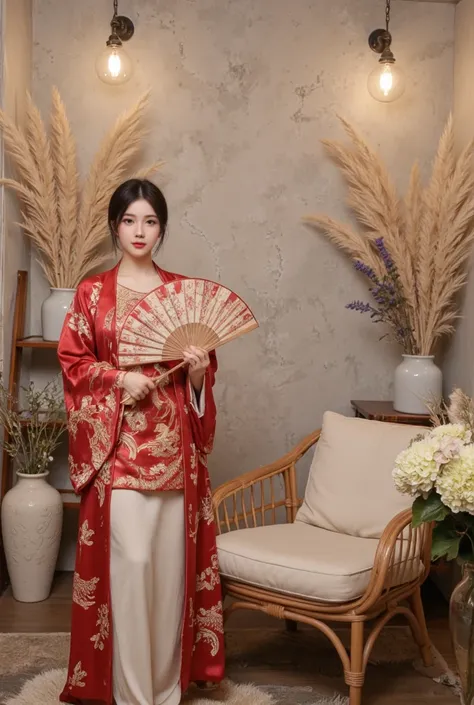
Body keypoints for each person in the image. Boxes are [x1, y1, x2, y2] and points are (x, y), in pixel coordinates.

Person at [57, 179, 225, 705]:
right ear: (114, 226)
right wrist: (116, 379)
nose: (139, 231)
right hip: (117, 454)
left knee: (168, 577)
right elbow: (74, 362)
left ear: (162, 229)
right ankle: (132, 695)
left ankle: (166, 691)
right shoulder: (90, 293)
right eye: (130, 220)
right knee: (129, 570)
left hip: (176, 456)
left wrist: (197, 375)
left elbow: (201, 381)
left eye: (150, 221)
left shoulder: (179, 292)